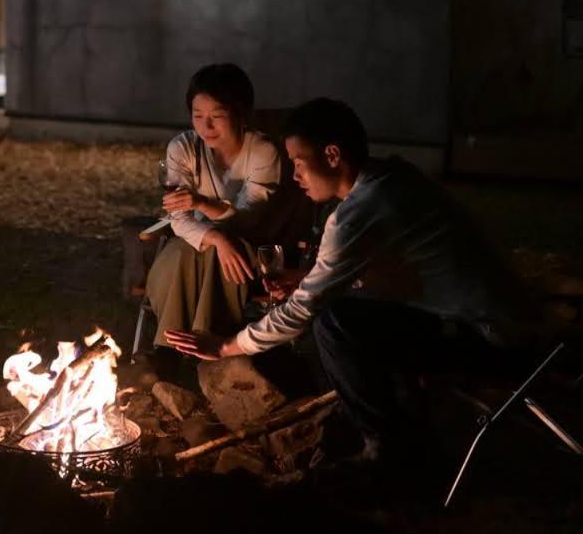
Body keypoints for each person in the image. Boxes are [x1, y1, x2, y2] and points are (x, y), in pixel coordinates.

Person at [165, 98, 539, 477]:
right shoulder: (392, 177)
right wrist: (308, 280)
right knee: (347, 309)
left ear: (331, 155)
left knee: (335, 321)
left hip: (492, 341)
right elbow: (391, 266)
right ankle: (403, 433)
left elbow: (302, 311)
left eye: (297, 162)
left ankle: (385, 449)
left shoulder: (361, 209)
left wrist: (227, 345)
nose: (295, 176)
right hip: (503, 323)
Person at [144, 64, 303, 350]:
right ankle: (187, 348)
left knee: (209, 256)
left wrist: (202, 203)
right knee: (188, 254)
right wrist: (216, 238)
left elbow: (248, 217)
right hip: (194, 246)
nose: (206, 127)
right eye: (198, 116)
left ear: (241, 114)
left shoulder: (263, 151)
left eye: (217, 117)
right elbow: (178, 219)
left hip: (247, 246)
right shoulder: (183, 148)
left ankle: (174, 350)